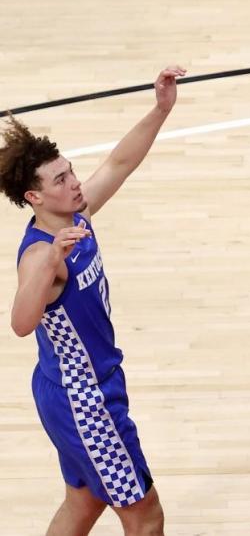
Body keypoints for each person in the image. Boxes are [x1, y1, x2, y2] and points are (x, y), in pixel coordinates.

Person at [4, 66, 187, 535]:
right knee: (145, 515)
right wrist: (49, 264)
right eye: (60, 180)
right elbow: (22, 321)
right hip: (84, 399)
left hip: (74, 388)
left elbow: (119, 164)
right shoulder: (43, 254)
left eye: (70, 171)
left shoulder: (78, 215)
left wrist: (160, 110)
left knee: (83, 504)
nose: (74, 182)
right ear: (34, 197)